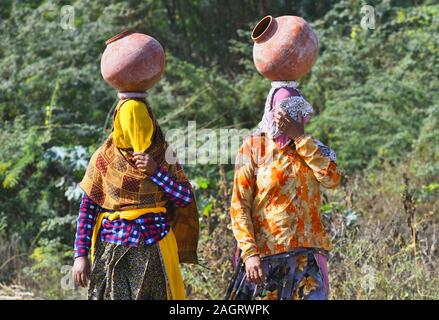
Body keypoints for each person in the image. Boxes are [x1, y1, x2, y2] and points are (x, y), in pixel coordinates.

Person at [72, 31, 199, 300]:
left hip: (154, 248)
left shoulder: (163, 155)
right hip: (112, 250)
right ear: (119, 123)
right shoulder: (105, 159)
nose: (136, 131)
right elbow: (88, 209)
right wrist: (80, 255)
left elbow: (185, 197)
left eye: (141, 122)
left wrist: (156, 172)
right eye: (130, 123)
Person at [225, 16, 340, 300]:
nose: (288, 117)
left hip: (306, 260)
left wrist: (301, 138)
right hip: (266, 262)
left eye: (295, 111)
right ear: (271, 112)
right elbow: (239, 206)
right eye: (284, 111)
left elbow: (332, 179)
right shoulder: (254, 147)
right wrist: (249, 254)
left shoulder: (311, 149)